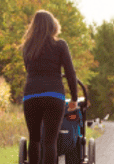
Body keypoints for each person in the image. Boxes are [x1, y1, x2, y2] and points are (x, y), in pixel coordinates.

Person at [19, 10, 80, 164]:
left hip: (31, 95)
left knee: (34, 139)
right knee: (50, 142)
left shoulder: (27, 47)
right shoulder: (60, 45)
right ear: (53, 25)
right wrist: (74, 97)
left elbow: (28, 69)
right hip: (54, 96)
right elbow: (70, 73)